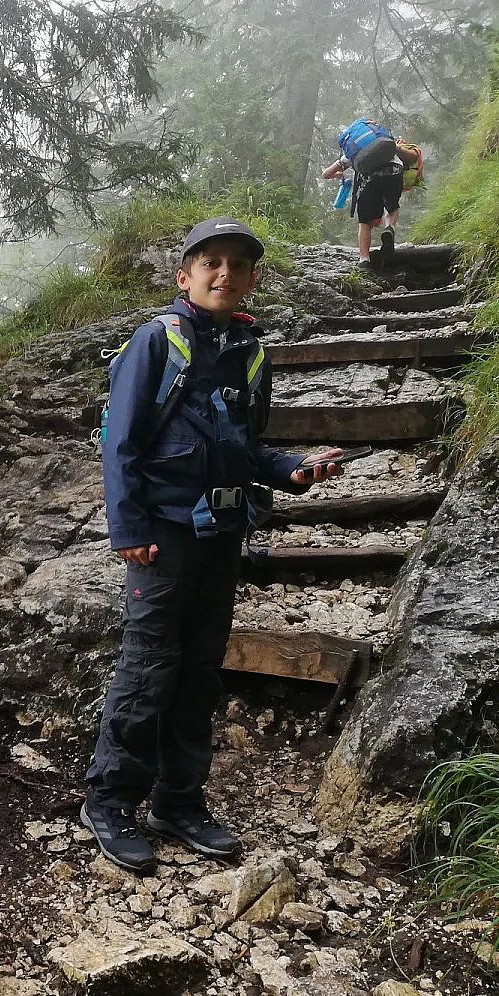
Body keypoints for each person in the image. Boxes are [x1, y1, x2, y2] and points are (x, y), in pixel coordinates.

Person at [82, 217, 347, 876]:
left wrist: (292, 469)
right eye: (211, 262)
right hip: (163, 536)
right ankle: (110, 801)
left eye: (238, 264)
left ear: (252, 280)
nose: (225, 273)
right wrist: (130, 530)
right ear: (185, 276)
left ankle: (179, 801)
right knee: (149, 666)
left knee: (201, 669)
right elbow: (122, 442)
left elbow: (246, 447)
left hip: (222, 534)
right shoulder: (157, 341)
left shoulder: (249, 352)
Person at [322, 118, 407, 267]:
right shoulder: (385, 140)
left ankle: (364, 259)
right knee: (392, 207)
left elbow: (326, 174)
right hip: (394, 171)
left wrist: (338, 174)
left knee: (365, 222)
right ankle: (389, 228)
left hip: (369, 180)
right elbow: (408, 155)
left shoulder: (352, 153)